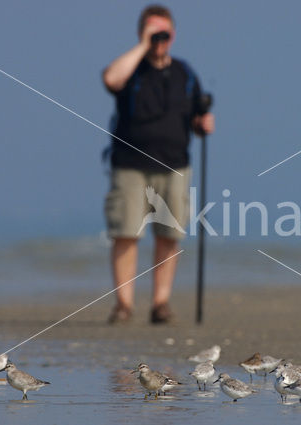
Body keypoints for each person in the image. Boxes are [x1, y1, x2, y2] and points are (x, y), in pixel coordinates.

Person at [102, 5, 214, 324]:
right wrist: (143, 46)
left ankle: (160, 303)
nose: (159, 40)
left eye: (164, 33)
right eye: (153, 33)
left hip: (175, 164)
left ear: (174, 34)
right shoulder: (132, 69)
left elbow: (193, 118)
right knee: (126, 232)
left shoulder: (185, 73)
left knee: (170, 234)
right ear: (141, 33)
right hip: (130, 164)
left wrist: (203, 124)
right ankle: (124, 304)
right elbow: (111, 79)